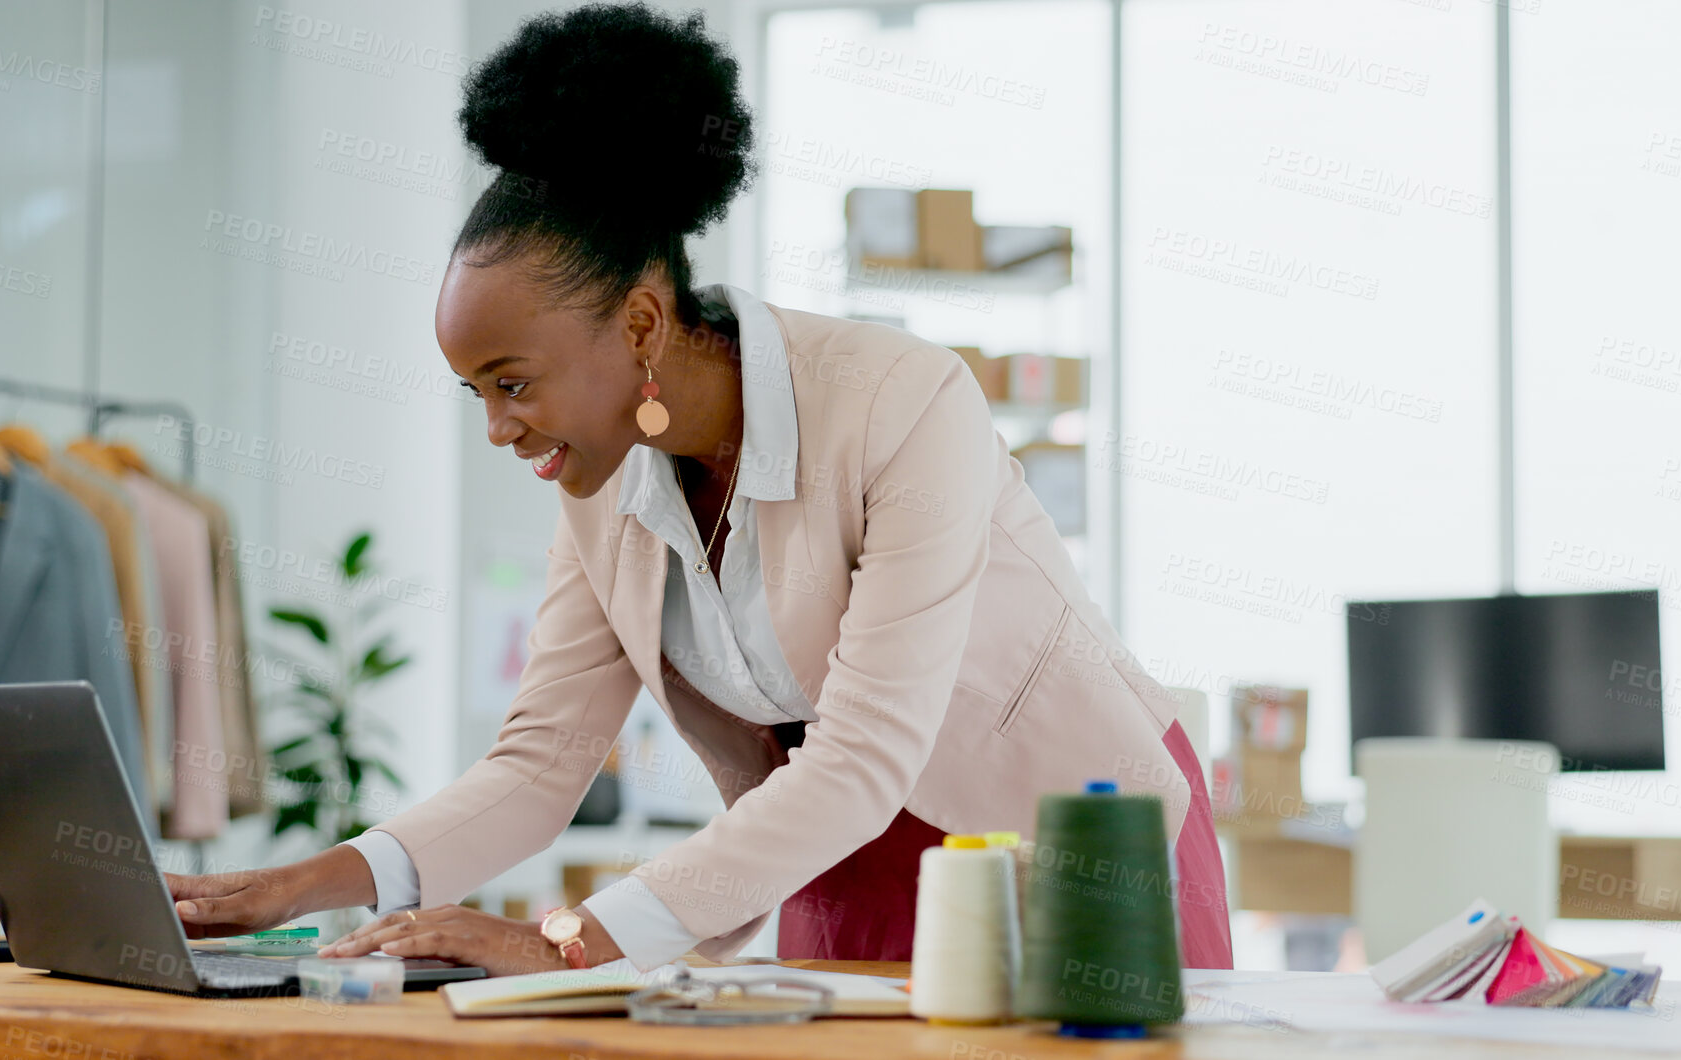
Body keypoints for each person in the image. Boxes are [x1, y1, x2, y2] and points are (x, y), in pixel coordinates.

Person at [168, 2, 1231, 975]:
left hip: (1076, 847)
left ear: (638, 324)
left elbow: (862, 753)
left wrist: (570, 939)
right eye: (474, 394)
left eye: (513, 383)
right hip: (830, 856)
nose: (498, 428)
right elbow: (543, 762)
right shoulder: (601, 488)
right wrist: (302, 883)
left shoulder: (904, 400)